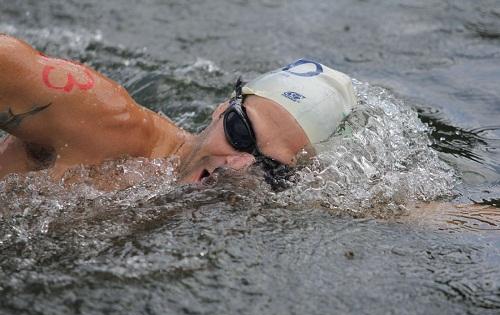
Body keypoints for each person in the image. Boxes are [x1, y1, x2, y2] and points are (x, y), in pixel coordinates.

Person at [0, 34, 357, 183]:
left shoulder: (252, 203)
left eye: (273, 169)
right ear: (221, 109)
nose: (237, 165)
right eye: (240, 132)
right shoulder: (103, 119)